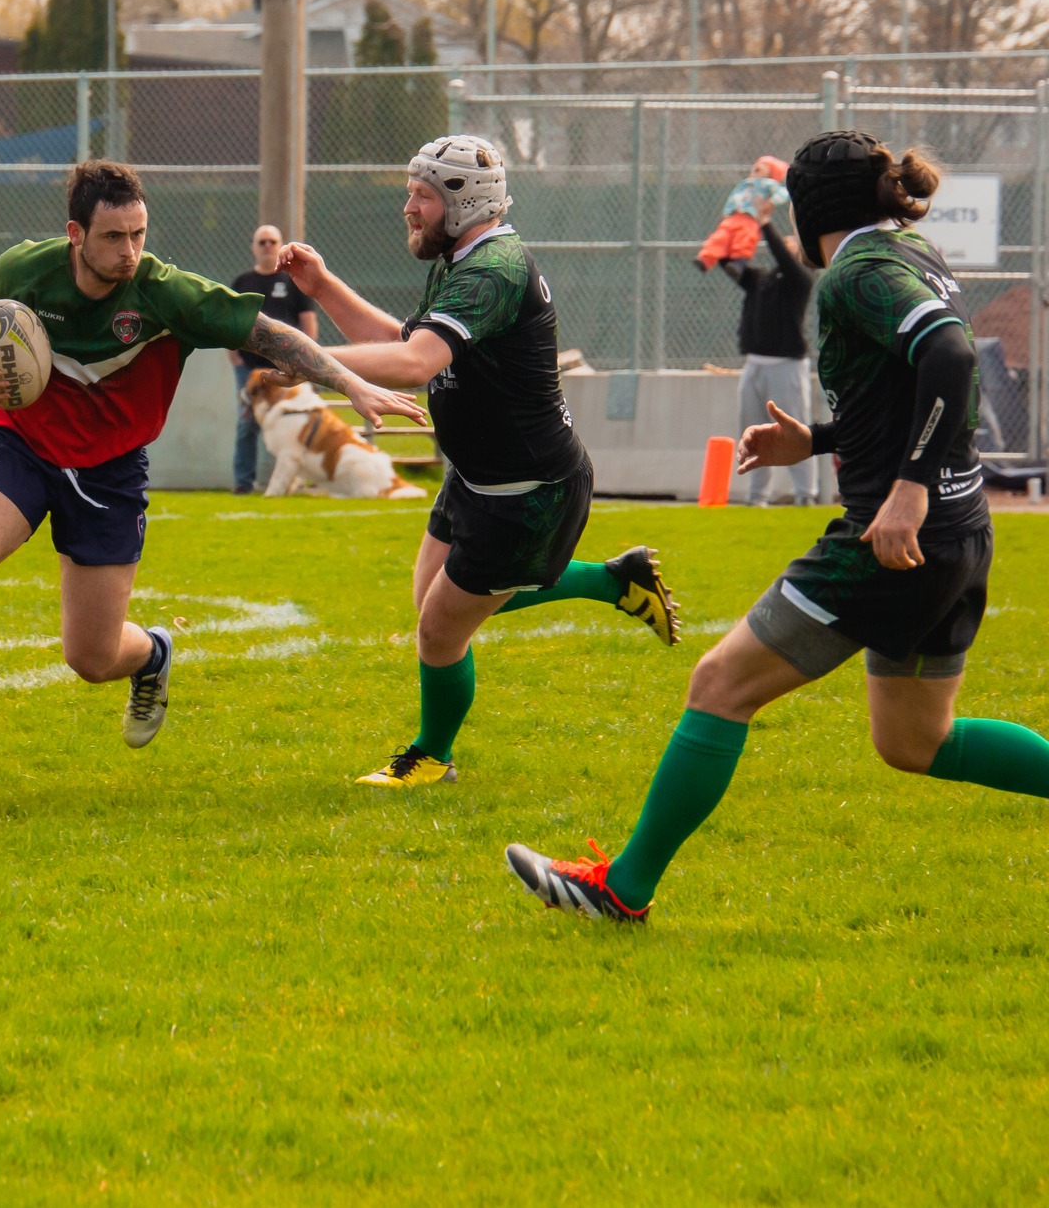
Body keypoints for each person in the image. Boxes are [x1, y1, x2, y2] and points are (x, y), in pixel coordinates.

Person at [506, 131, 1049, 925]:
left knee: (719, 685)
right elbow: (916, 387)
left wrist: (905, 491)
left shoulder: (856, 274)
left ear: (810, 208)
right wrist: (819, 440)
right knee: (915, 741)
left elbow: (953, 360)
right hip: (960, 534)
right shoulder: (910, 250)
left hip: (890, 541)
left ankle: (620, 889)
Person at [0, 160, 423, 786]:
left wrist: (351, 383)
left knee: (92, 659)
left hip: (109, 472)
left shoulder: (166, 293)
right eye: (114, 237)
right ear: (76, 234)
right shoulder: (28, 269)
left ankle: (153, 653)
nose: (130, 251)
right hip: (24, 447)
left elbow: (272, 335)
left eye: (139, 234)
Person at [277, 134, 680, 790]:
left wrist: (302, 358)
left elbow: (414, 365)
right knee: (432, 602)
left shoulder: (493, 270)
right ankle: (614, 581)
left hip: (526, 490)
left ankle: (432, 756)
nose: (409, 207)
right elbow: (400, 340)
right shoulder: (467, 258)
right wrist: (321, 286)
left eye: (423, 196)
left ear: (467, 203)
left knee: (439, 629)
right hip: (480, 477)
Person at [715, 214, 818, 507]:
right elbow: (731, 266)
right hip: (754, 365)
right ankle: (757, 496)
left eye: (791, 243)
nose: (786, 244)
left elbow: (784, 258)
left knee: (795, 427)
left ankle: (805, 494)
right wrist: (728, 232)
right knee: (752, 429)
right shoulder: (761, 280)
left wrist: (764, 222)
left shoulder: (800, 280)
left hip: (786, 366)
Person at [228, 224, 319, 494]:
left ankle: (301, 480)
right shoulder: (242, 283)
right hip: (252, 370)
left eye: (272, 242)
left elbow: (308, 322)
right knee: (247, 424)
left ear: (279, 246)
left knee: (298, 422)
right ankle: (244, 482)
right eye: (262, 242)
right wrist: (235, 361)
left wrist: (308, 359)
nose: (267, 246)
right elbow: (230, 323)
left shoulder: (292, 283)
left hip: (289, 369)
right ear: (253, 247)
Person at [697, 156, 790, 270]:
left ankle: (738, 263)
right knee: (719, 238)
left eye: (764, 165)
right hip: (733, 217)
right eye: (757, 163)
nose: (757, 165)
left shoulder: (769, 183)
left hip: (750, 218)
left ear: (771, 172)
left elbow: (784, 193)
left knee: (745, 239)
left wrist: (771, 202)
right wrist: (727, 211)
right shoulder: (745, 183)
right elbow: (734, 197)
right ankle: (705, 259)